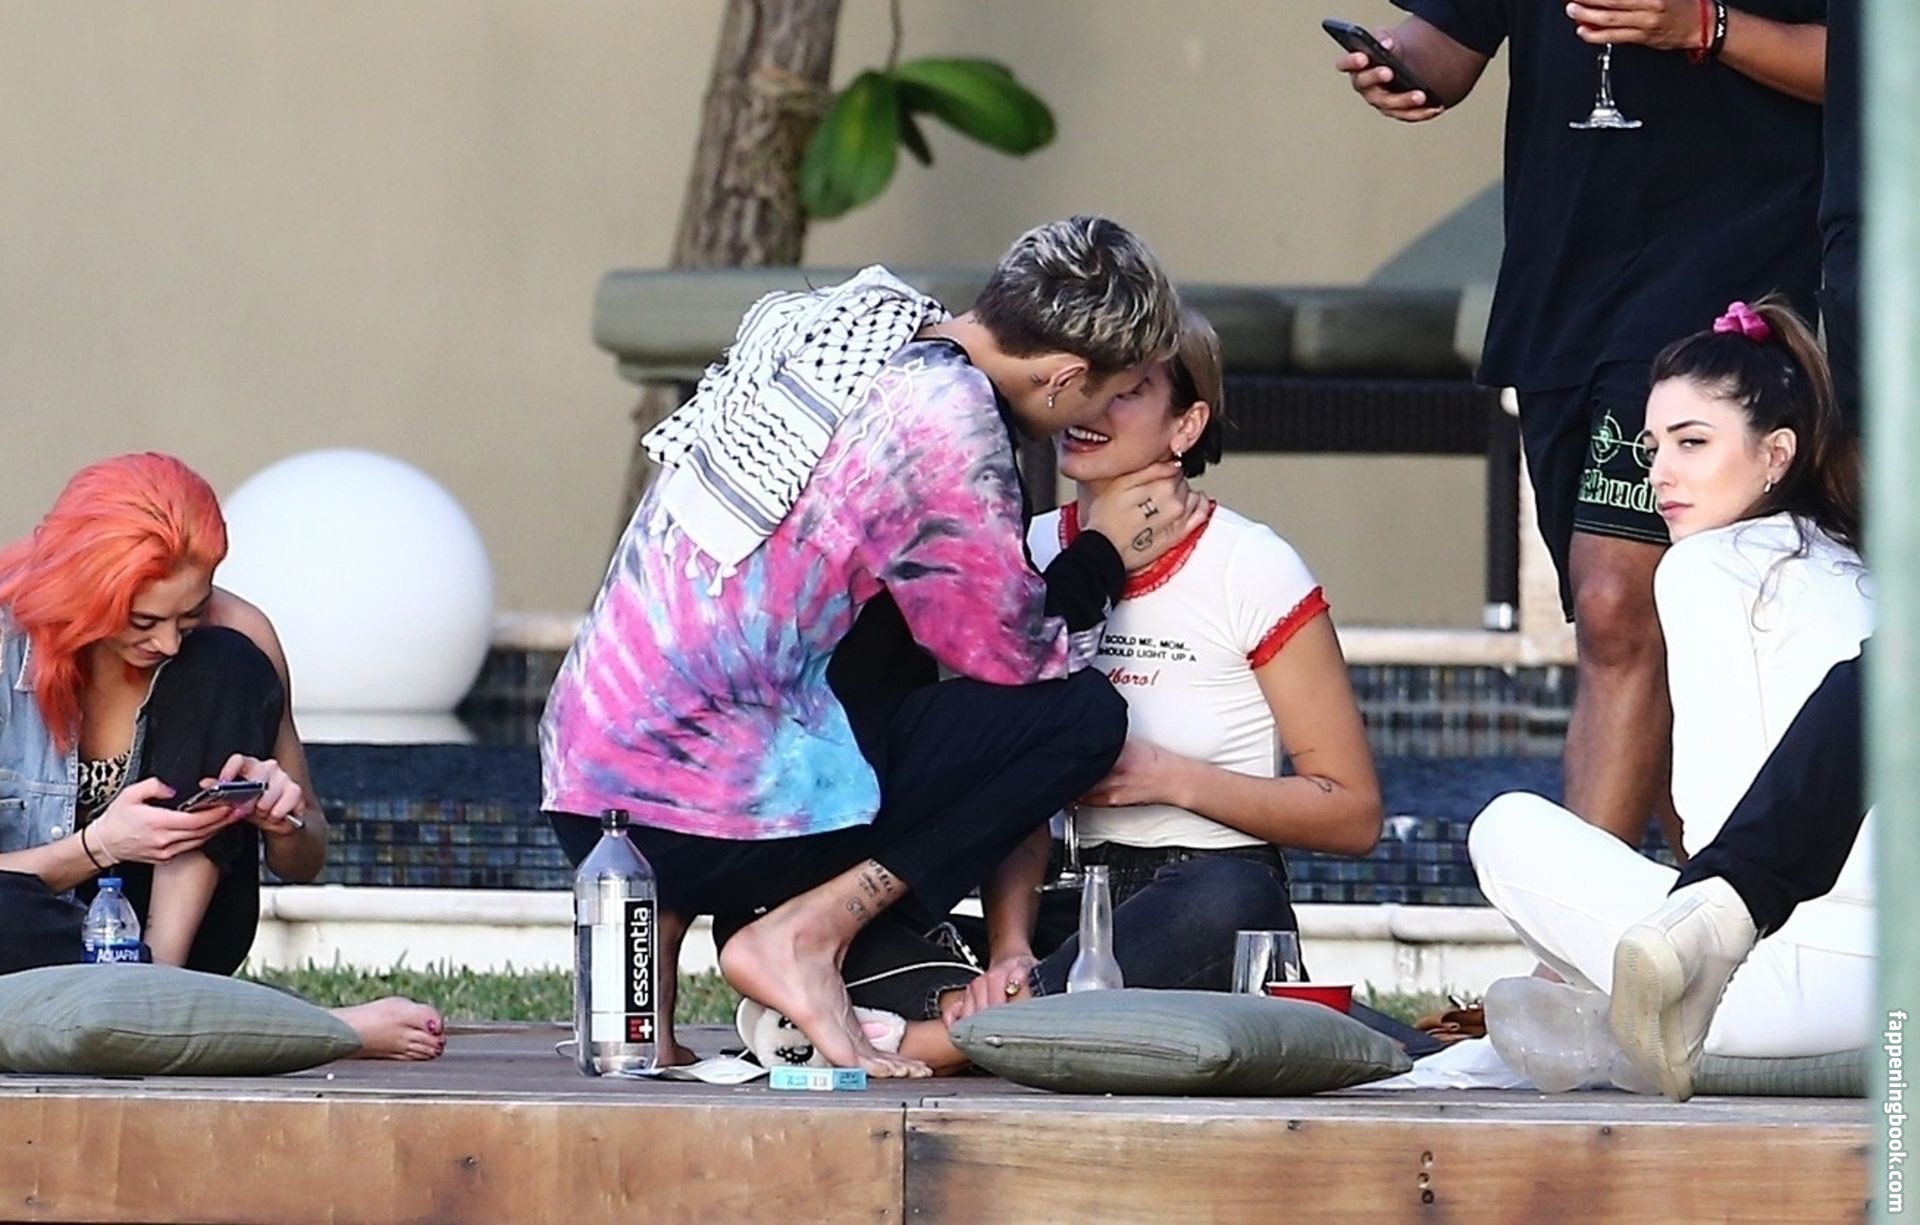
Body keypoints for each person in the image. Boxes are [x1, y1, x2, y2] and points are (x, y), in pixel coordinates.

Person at [541, 216, 1198, 1077]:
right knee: (1078, 717)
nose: (1100, 416)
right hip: (708, 813)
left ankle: (649, 1009)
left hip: (592, 790)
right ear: (1066, 375)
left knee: (857, 630)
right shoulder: (946, 416)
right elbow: (1010, 653)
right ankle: (809, 933)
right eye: (1108, 394)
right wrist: (1103, 555)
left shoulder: (859, 327)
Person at [1336, 0, 1828, 851]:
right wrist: (1395, 64)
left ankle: (1580, 924)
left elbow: (1872, 68)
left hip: (1728, 261)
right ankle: (1704, 913)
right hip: (1562, 278)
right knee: (1651, 630)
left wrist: (1706, 27)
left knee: (1615, 604)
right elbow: (1447, 43)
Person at [1452, 298, 1871, 1090]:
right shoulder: (1856, 565)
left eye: (1692, 442)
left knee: (1505, 828)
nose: (1660, 474)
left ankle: (1609, 1028)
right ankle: (1601, 1020)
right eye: (1652, 448)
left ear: (1776, 452)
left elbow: (1723, 834)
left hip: (1790, 984)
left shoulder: (1705, 569)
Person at [936, 310, 1382, 1020]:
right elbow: (1008, 792)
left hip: (1201, 904)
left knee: (1228, 902)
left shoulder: (1251, 564)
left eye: (1127, 391)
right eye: (1089, 382)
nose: (1093, 409)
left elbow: (1352, 814)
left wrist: (1169, 777)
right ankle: (1021, 1006)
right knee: (882, 921)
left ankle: (964, 1032)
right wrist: (1009, 948)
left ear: (1187, 424)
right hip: (1068, 906)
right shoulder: (1028, 550)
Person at [0, 452, 444, 1060]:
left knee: (225, 659)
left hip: (179, 941)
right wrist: (100, 845)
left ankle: (158, 996)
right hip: (31, 933)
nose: (167, 642)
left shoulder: (236, 630)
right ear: (85, 592)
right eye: (142, 620)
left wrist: (282, 818)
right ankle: (264, 1021)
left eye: (188, 615)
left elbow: (305, 859)